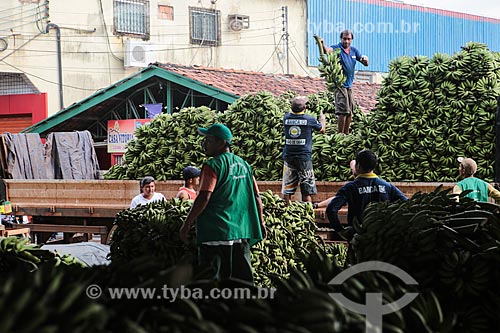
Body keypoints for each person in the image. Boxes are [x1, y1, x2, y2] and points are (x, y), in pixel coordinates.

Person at [179, 123, 266, 283]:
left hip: (216, 232)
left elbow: (204, 196)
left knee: (212, 283)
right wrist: (260, 222)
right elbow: (257, 196)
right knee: (242, 284)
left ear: (221, 143)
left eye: (208, 140)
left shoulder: (213, 165)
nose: (204, 144)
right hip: (241, 233)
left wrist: (187, 224)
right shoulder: (245, 165)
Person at [326, 149, 407, 233]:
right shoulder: (387, 186)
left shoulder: (350, 188)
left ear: (358, 166)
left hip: (358, 238)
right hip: (382, 238)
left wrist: (340, 231)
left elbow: (331, 209)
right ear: (374, 166)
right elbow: (406, 204)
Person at [320, 30, 369, 134]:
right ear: (341, 39)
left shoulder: (354, 51)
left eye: (348, 39)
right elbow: (327, 51)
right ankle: (340, 134)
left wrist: (365, 60)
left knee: (350, 111)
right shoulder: (337, 49)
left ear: (351, 40)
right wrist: (322, 44)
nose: (346, 41)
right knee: (343, 111)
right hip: (339, 84)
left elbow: (364, 62)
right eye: (344, 39)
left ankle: (347, 133)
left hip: (349, 85)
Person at [282, 96, 326, 205]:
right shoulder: (309, 119)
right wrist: (322, 120)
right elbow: (322, 130)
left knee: (287, 190)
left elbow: (291, 111)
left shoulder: (286, 118)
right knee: (306, 190)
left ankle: (286, 210)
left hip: (289, 157)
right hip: (304, 158)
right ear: (305, 108)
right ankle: (308, 213)